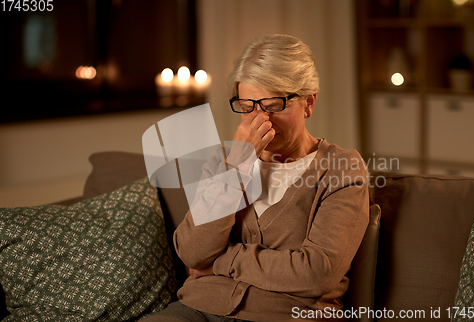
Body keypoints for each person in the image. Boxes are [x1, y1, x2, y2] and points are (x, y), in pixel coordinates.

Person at [142, 34, 369, 322]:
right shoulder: (224, 161)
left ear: (309, 102)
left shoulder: (341, 168)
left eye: (273, 105)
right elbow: (193, 253)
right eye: (248, 106)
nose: (261, 120)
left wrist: (222, 262)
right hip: (198, 309)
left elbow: (317, 272)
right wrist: (236, 166)